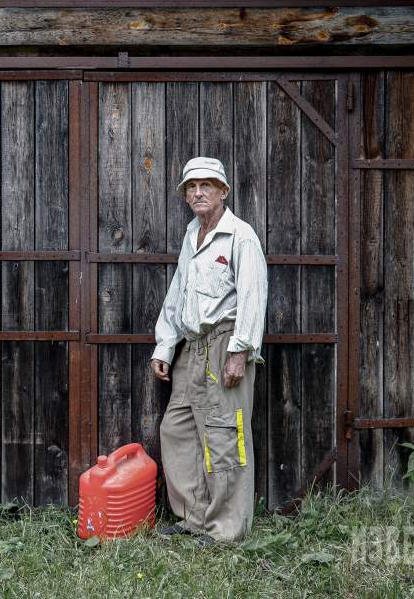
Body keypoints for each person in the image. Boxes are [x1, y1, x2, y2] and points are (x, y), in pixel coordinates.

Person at [150, 156, 268, 546]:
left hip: (225, 344)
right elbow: (178, 294)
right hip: (192, 348)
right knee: (177, 429)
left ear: (223, 192)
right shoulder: (192, 236)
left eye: (207, 185)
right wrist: (165, 346)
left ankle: (226, 530)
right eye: (191, 187)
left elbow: (253, 296)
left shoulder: (240, 236)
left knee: (224, 434)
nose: (198, 192)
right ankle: (194, 519)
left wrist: (241, 352)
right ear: (185, 196)